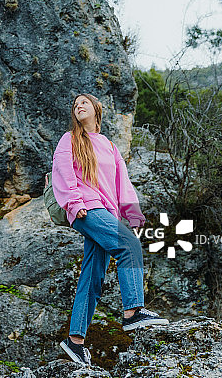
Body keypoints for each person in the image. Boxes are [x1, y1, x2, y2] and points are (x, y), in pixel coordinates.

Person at [52, 93, 168, 366]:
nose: (79, 105)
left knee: (92, 275)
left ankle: (75, 341)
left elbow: (122, 184)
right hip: (86, 208)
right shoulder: (69, 139)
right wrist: (73, 202)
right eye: (75, 104)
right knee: (129, 246)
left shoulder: (109, 146)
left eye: (84, 102)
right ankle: (133, 312)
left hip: (105, 211)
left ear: (96, 109)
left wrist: (133, 213)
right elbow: (63, 171)